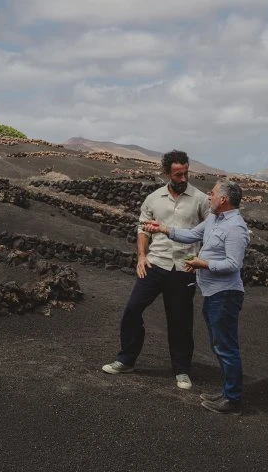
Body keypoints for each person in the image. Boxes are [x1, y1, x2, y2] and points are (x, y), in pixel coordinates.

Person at [102, 150, 210, 390]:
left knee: (180, 321)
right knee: (132, 310)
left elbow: (211, 231)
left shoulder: (201, 200)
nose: (183, 178)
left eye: (186, 173)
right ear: (166, 173)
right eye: (178, 174)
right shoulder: (153, 199)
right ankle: (126, 359)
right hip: (155, 264)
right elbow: (143, 229)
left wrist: (201, 259)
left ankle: (181, 370)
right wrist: (141, 255)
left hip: (184, 268)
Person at [144, 179, 249, 415]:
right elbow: (191, 234)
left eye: (212, 194)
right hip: (213, 294)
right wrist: (162, 228)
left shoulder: (236, 228)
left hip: (226, 295)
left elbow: (234, 264)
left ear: (223, 200)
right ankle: (227, 392)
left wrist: (203, 263)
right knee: (220, 345)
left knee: (226, 347)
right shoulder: (213, 218)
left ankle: (232, 399)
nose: (208, 197)